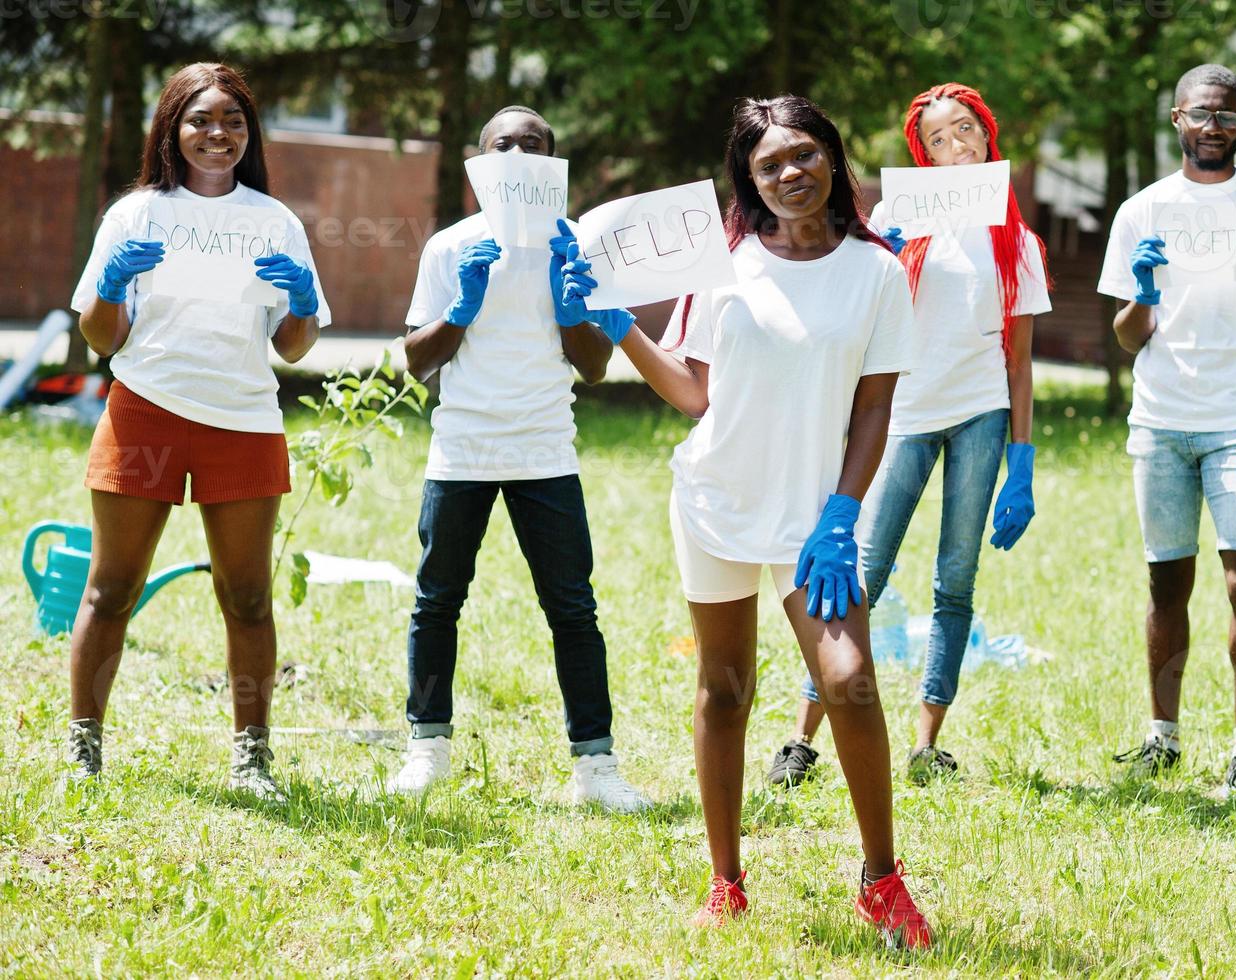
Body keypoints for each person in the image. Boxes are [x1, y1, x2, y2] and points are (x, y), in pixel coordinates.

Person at [559, 95, 933, 949]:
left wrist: (843, 512)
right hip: (715, 501)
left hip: (814, 519)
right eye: (768, 165)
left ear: (833, 161)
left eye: (802, 156)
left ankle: (880, 880)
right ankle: (725, 880)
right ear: (748, 181)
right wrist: (618, 327)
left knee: (847, 680)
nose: (788, 174)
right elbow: (694, 395)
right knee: (724, 689)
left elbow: (875, 410)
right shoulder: (720, 264)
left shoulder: (876, 272)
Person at [764, 82, 1051, 788]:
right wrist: (878, 252)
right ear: (918, 152)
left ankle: (927, 743)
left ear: (986, 137)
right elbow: (850, 306)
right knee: (860, 575)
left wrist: (1022, 460)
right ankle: (802, 739)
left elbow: (1019, 359)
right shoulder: (896, 218)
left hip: (981, 414)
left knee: (955, 579)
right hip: (904, 416)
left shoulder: (1017, 240)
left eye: (965, 132)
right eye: (936, 138)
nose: (953, 147)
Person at [65, 63, 330, 800]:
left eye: (234, 122)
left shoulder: (274, 221)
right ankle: (84, 746)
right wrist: (112, 285)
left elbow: (294, 346)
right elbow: (102, 339)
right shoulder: (135, 216)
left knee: (246, 598)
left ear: (250, 134)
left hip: (243, 421)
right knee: (111, 589)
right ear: (172, 128)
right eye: (202, 120)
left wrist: (304, 300)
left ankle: (252, 756)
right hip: (146, 410)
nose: (218, 134)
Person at [388, 105, 650, 815]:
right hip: (463, 449)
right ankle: (427, 747)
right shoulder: (449, 247)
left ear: (550, 163)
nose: (519, 153)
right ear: (481, 164)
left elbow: (593, 367)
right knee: (437, 599)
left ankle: (594, 766)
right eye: (504, 144)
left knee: (572, 607)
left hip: (544, 448)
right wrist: (461, 308)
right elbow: (417, 360)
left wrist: (574, 304)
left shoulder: (576, 245)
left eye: (533, 144)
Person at [1098, 64, 1236, 794]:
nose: (1212, 127)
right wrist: (1143, 294)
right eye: (1200, 115)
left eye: (1225, 116)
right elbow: (1127, 336)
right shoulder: (1142, 212)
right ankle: (1162, 736)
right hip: (1159, 420)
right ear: (1175, 119)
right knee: (1166, 581)